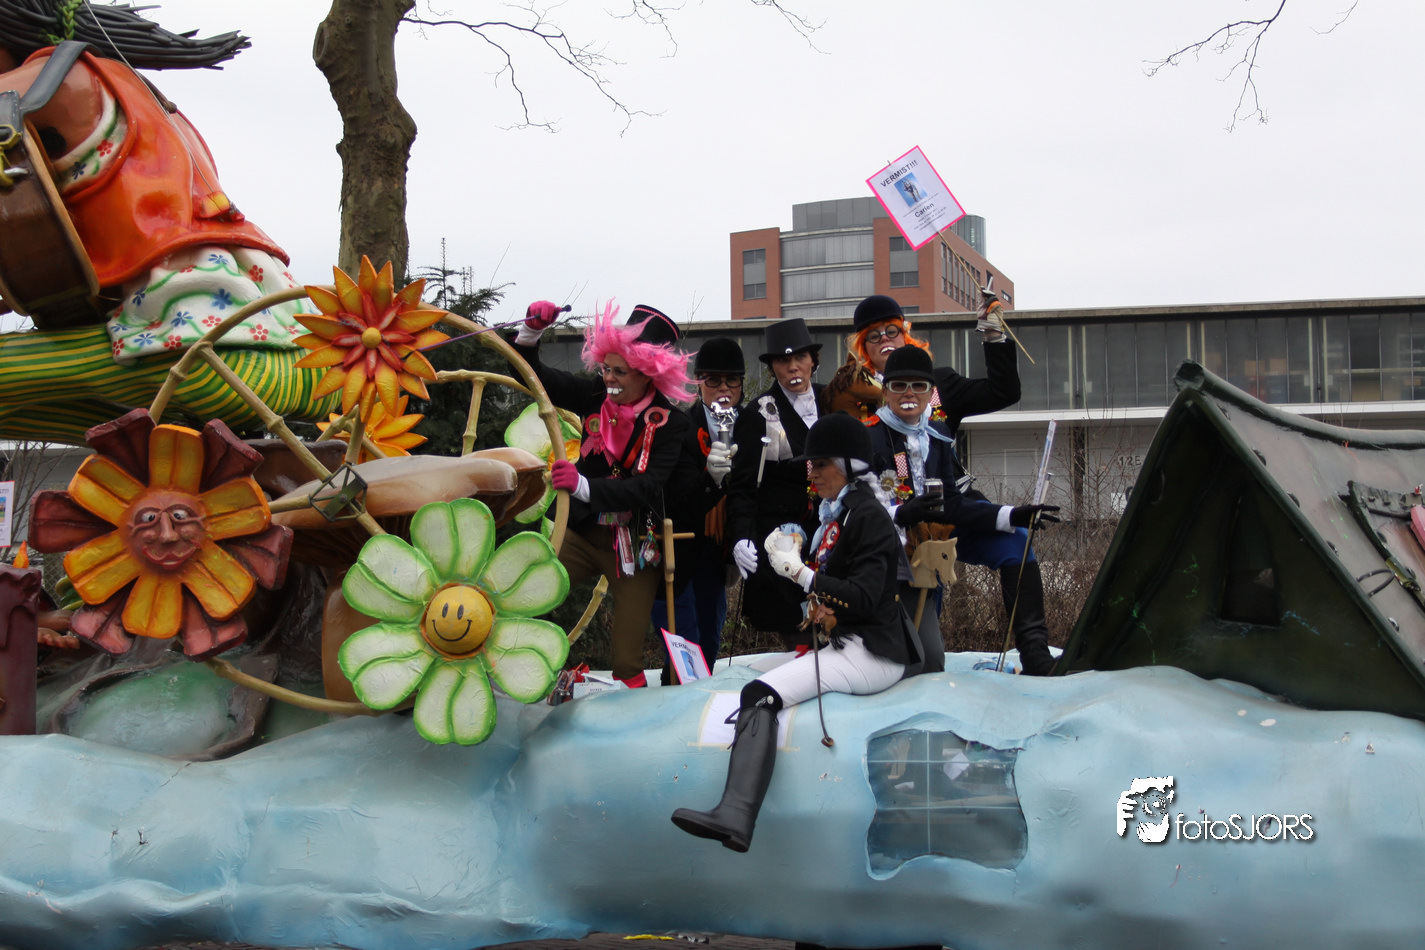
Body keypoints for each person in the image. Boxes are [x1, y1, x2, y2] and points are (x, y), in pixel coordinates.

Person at [0, 7, 330, 443]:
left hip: (205, 353)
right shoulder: (138, 94)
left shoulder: (50, 82)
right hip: (298, 358)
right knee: (106, 429)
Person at [671, 413, 913, 853]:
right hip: (848, 641)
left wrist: (803, 575)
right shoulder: (839, 512)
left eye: (821, 464)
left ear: (850, 465)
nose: (812, 473)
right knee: (752, 676)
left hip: (871, 652)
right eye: (810, 465)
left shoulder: (869, 516)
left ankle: (736, 814)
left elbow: (864, 598)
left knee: (759, 692)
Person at [510, 299, 695, 688]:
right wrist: (531, 332)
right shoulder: (595, 394)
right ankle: (515, 675)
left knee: (627, 662)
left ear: (647, 373)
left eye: (620, 371)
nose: (609, 378)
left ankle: (630, 720)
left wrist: (581, 485)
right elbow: (535, 379)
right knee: (522, 595)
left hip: (635, 549)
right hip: (581, 534)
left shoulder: (672, 424)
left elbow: (646, 487)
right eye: (606, 368)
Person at [868, 346, 1060, 675]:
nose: (909, 394)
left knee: (1017, 540)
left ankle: (1035, 655)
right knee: (924, 661)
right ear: (886, 391)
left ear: (931, 392)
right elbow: (855, 508)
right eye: (899, 385)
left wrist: (1012, 515)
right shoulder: (868, 435)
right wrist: (902, 514)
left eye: (919, 386)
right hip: (892, 548)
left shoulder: (938, 432)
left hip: (941, 534)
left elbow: (953, 504)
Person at [826, 292, 1020, 489]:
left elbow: (1004, 392)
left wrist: (992, 333)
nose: (884, 339)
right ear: (864, 347)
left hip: (948, 496)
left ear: (904, 335)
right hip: (887, 500)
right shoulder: (856, 398)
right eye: (874, 336)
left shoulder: (941, 382)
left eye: (892, 331)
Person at [725, 318, 825, 645]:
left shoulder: (833, 401)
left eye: (800, 358)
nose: (793, 367)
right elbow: (743, 486)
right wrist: (741, 536)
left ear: (813, 361)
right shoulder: (758, 413)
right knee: (801, 639)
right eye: (783, 360)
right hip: (781, 538)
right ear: (772, 368)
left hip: (831, 534)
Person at [652, 336, 749, 671]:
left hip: (723, 552)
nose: (723, 388)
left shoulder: (754, 425)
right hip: (683, 549)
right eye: (713, 380)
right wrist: (711, 480)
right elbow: (676, 499)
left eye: (731, 380)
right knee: (684, 646)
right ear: (698, 382)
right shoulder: (679, 427)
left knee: (709, 637)